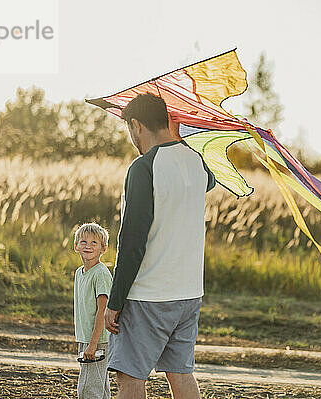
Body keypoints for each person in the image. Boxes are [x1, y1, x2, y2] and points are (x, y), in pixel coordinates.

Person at [104, 93, 215, 399]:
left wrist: (115, 301)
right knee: (180, 373)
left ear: (137, 125)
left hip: (148, 295)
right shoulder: (197, 164)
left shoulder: (143, 167)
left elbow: (132, 241)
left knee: (129, 375)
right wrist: (180, 137)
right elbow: (211, 182)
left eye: (129, 128)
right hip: (189, 294)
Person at [73, 222, 113, 399]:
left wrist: (93, 343)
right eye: (83, 242)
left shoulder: (101, 273)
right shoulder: (79, 273)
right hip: (87, 338)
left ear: (103, 248)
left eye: (94, 243)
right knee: (100, 389)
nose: (87, 246)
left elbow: (102, 310)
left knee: (88, 390)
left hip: (97, 340)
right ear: (76, 247)